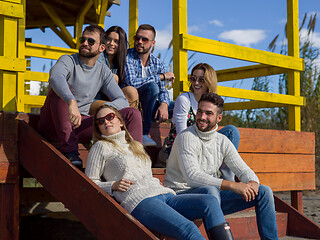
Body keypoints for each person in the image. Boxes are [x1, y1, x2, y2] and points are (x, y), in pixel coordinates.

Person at [85, 104, 235, 240]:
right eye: (100, 121)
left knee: (209, 201)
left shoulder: (136, 145)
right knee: (187, 228)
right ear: (98, 127)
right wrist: (112, 185)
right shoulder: (100, 147)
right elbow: (89, 182)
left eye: (110, 117)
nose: (106, 122)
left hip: (164, 194)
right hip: (140, 201)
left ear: (120, 121)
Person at [164, 93, 279, 240]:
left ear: (219, 118)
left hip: (212, 199)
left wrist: (253, 182)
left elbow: (243, 169)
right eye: (199, 111)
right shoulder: (186, 137)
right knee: (210, 190)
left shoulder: (222, 141)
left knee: (264, 192)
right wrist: (232, 185)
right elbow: (192, 176)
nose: (202, 117)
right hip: (181, 197)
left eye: (209, 113)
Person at [38, 25, 142, 168]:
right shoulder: (68, 60)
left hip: (80, 123)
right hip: (53, 125)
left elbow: (122, 100)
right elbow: (55, 77)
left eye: (91, 41)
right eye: (83, 39)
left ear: (101, 48)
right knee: (60, 91)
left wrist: (103, 111)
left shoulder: (102, 70)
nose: (85, 43)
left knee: (132, 113)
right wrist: (71, 100)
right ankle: (71, 151)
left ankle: (136, 161)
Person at [158, 63, 239, 182]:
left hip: (204, 147)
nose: (196, 83)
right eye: (193, 79)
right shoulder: (184, 99)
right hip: (179, 148)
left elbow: (212, 133)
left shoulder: (213, 102)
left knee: (232, 131)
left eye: (201, 80)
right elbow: (182, 135)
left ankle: (228, 180)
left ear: (209, 81)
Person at [124, 24, 175, 146]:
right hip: (132, 104)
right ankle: (143, 134)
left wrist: (164, 104)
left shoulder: (157, 63)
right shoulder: (127, 56)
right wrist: (161, 76)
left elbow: (163, 90)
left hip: (151, 106)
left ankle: (173, 144)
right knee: (152, 87)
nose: (139, 42)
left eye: (144, 39)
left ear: (153, 43)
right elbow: (132, 82)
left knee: (179, 105)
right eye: (137, 38)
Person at [91, 26, 139, 113]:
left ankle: (133, 121)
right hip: (93, 100)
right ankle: (125, 117)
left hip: (112, 102)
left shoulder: (120, 62)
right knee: (113, 78)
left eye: (116, 41)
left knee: (131, 91)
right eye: (109, 39)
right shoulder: (99, 55)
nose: (111, 43)